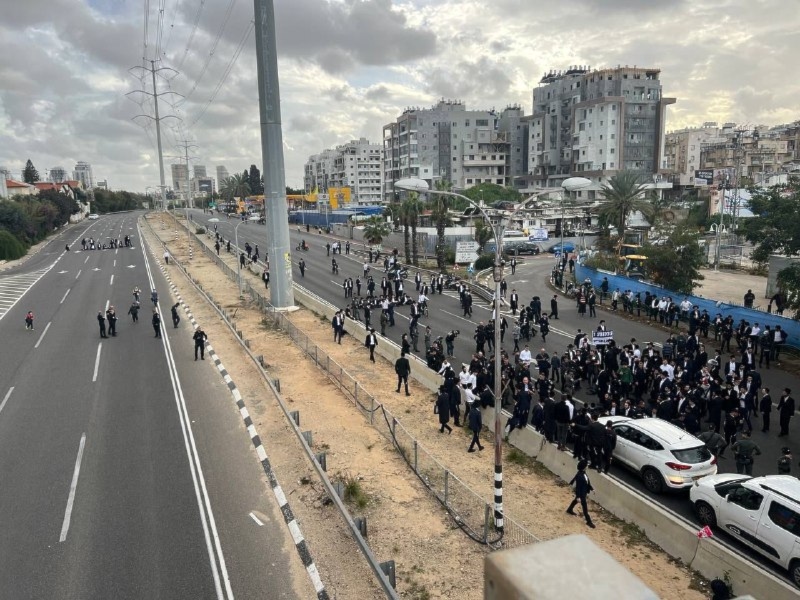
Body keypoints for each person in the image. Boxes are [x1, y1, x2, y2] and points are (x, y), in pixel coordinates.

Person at [566, 460, 595, 528]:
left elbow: (587, 482)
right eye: (586, 465)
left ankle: (569, 510)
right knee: (585, 508)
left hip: (584, 492)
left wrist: (592, 488)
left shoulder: (583, 473)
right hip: (581, 494)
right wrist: (578, 496)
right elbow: (578, 487)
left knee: (575, 500)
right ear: (584, 467)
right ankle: (589, 521)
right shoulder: (580, 476)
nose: (587, 466)